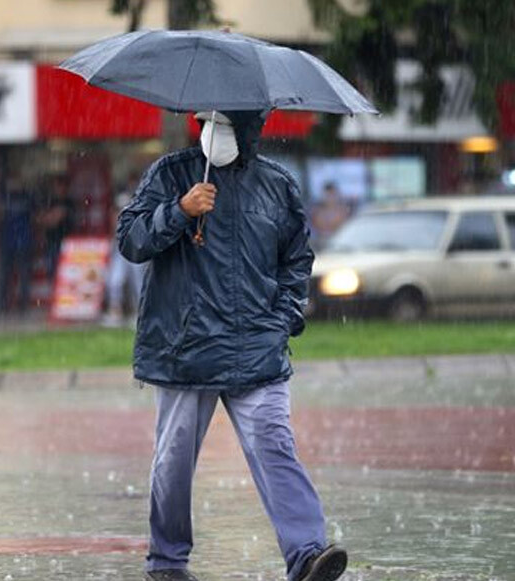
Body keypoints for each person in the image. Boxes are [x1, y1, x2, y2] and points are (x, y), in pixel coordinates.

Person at [118, 110, 348, 581]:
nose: (212, 131)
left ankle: (306, 553)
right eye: (206, 121)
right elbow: (131, 240)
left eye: (224, 123)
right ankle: (167, 560)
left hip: (257, 349)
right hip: (185, 349)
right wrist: (179, 211)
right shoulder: (170, 174)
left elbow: (297, 260)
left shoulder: (277, 185)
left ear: (250, 128)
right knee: (173, 459)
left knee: (275, 445)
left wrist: (283, 320)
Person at [103, 189, 146, 328]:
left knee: (138, 283)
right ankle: (115, 312)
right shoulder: (115, 217)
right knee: (115, 280)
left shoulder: (137, 216)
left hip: (135, 250)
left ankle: (140, 314)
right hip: (119, 250)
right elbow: (113, 234)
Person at [0, 179, 38, 312]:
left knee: (15, 274)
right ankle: (14, 304)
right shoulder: (24, 198)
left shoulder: (10, 198)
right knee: (14, 274)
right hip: (14, 241)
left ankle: (11, 304)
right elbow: (34, 218)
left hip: (16, 241)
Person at [309, 181, 353, 248]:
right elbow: (316, 228)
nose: (330, 198)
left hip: (340, 242)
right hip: (321, 243)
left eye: (332, 194)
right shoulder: (317, 212)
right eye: (328, 195)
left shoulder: (343, 211)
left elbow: (346, 228)